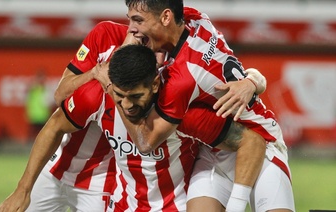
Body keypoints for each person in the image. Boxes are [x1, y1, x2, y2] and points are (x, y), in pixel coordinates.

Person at [95, 1, 294, 211]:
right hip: (213, 148)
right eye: (130, 20)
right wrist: (253, 81)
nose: (131, 30)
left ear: (165, 17)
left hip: (261, 143)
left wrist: (111, 85)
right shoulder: (196, 19)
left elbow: (146, 141)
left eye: (138, 20)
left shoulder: (180, 81)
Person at [60, 44, 266, 211]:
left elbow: (252, 141)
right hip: (122, 205)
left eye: (136, 96)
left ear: (155, 84)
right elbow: (54, 124)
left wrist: (252, 80)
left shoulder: (182, 115)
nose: (128, 105)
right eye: (120, 96)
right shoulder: (101, 98)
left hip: (176, 206)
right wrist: (25, 187)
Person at [0, 21, 129, 212]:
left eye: (140, 19)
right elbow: (60, 95)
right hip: (55, 166)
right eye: (132, 17)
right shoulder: (106, 33)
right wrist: (93, 74)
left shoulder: (161, 59)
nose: (134, 26)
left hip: (102, 182)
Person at [25, 69, 51, 142]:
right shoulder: (33, 88)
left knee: (43, 133)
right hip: (34, 114)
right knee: (32, 133)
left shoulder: (45, 88)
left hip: (43, 114)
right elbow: (27, 91)